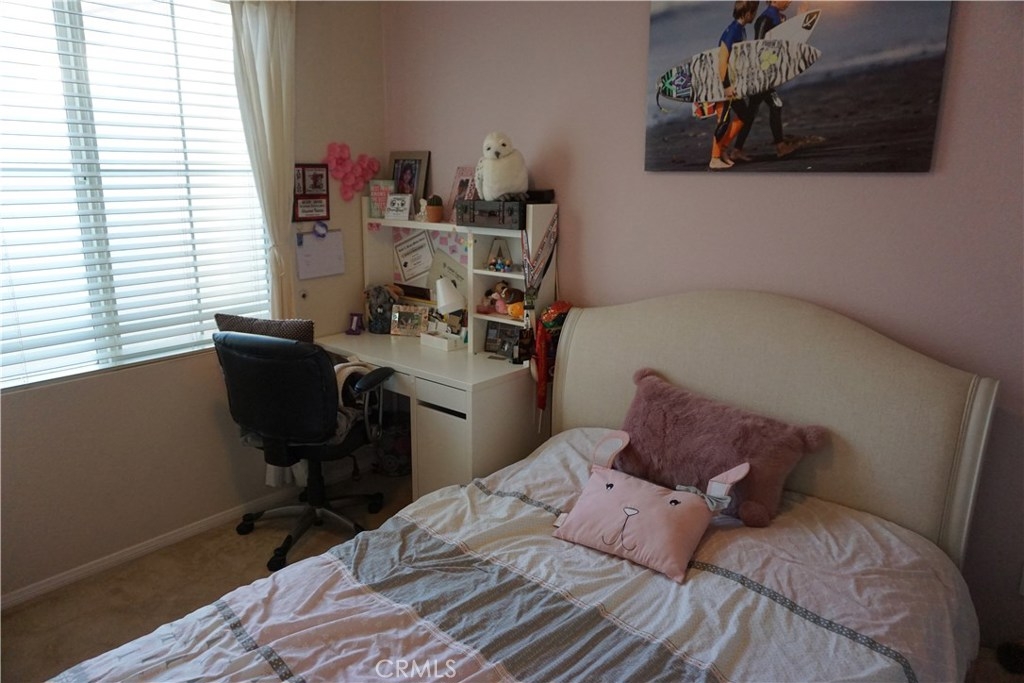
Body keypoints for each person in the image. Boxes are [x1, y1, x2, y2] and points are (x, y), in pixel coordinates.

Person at [729, 0, 798, 162]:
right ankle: (780, 147)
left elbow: (785, 44)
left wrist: (799, 19)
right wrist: (761, 75)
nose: (789, 1)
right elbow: (758, 49)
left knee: (751, 111)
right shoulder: (764, 19)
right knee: (774, 105)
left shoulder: (778, 17)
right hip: (760, 75)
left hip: (765, 73)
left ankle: (736, 150)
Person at [709, 1, 759, 170]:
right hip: (722, 84)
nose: (755, 15)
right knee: (723, 121)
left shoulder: (740, 29)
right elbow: (722, 59)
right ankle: (714, 158)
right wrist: (726, 86)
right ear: (748, 13)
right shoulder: (733, 31)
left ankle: (722, 150)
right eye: (754, 12)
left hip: (731, 81)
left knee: (744, 115)